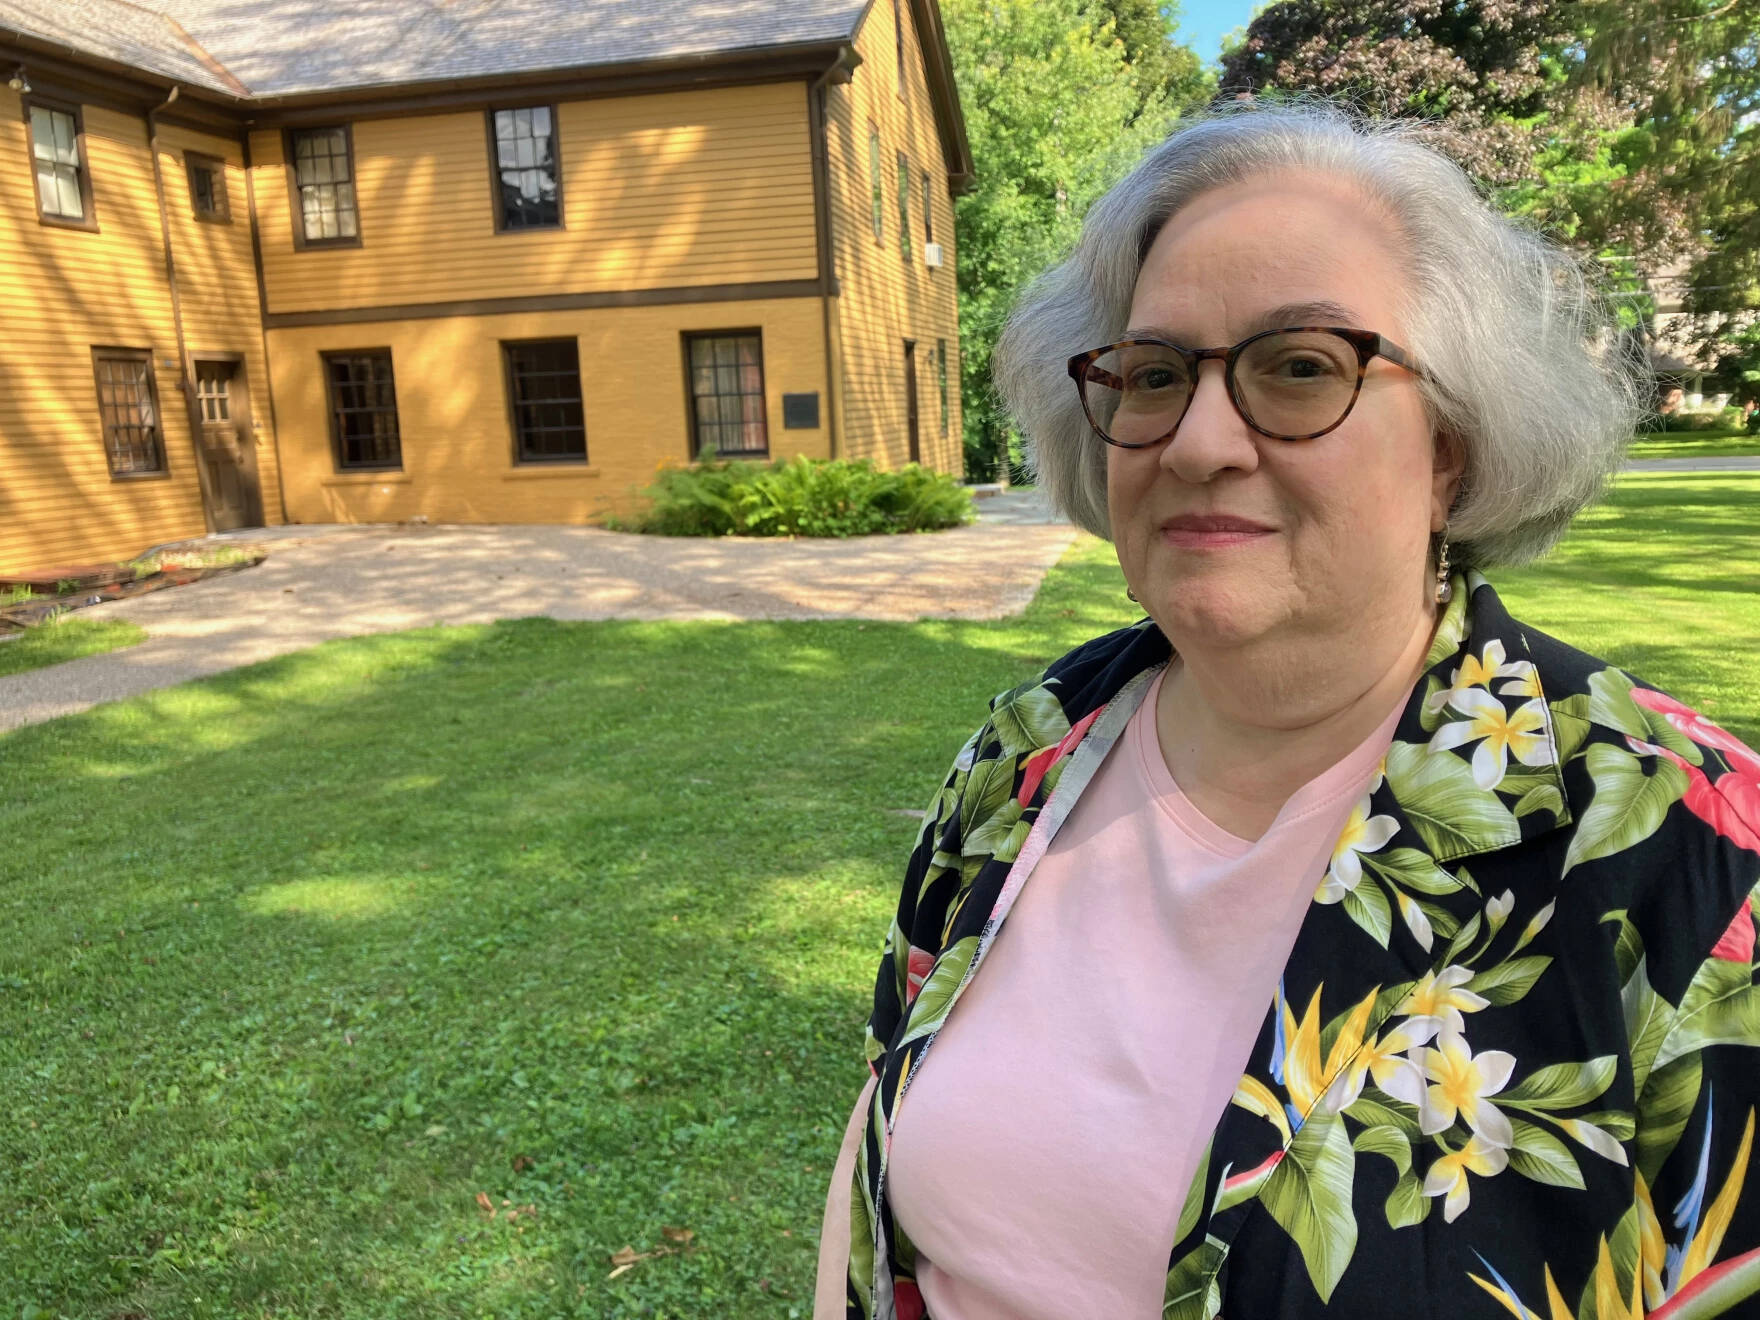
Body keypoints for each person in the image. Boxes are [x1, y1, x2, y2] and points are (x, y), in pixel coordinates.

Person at [815, 101, 1760, 1320]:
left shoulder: (1686, 849)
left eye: (1301, 367)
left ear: (1449, 453)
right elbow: (886, 1134)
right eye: (1153, 374)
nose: (1199, 438)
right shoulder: (1027, 748)